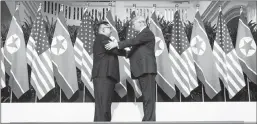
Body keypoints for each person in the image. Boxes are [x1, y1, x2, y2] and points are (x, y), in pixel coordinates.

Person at [105, 16, 157, 121]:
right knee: (147, 97)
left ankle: (149, 120)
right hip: (143, 70)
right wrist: (116, 50)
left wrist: (117, 44)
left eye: (134, 24)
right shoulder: (141, 36)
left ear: (141, 23)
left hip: (146, 69)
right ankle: (148, 119)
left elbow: (134, 41)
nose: (132, 27)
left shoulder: (146, 33)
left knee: (149, 97)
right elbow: (132, 52)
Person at [91, 21, 126, 122]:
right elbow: (114, 50)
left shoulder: (103, 39)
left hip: (105, 76)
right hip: (103, 76)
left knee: (105, 106)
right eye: (109, 28)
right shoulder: (102, 38)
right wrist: (129, 52)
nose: (111, 30)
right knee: (103, 107)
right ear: (102, 30)